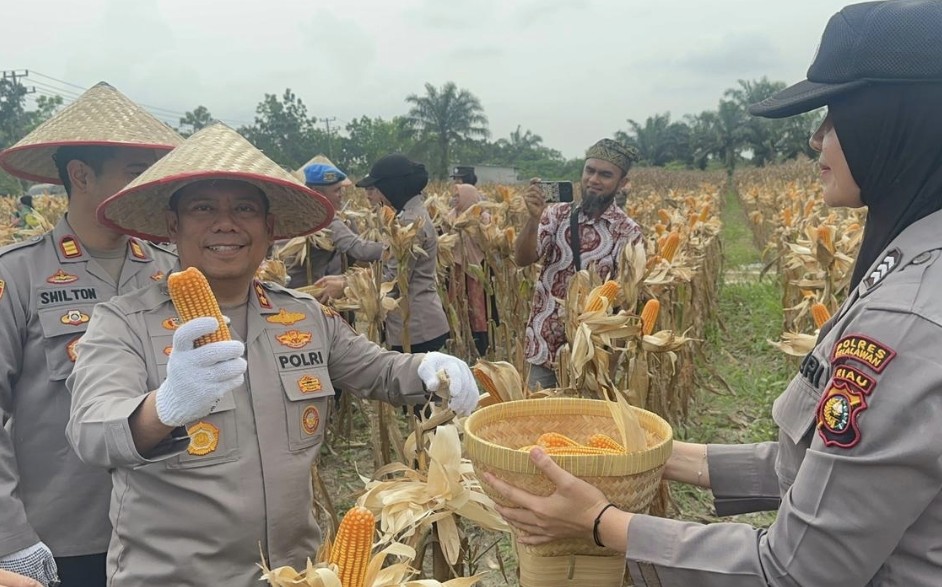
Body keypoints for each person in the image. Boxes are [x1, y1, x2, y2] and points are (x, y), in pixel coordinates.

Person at [488, 1, 942, 585]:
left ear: (895, 122)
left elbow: (797, 570)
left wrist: (602, 523)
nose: (815, 139)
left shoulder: (901, 319)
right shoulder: (912, 269)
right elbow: (816, 468)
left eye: (834, 115)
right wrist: (647, 451)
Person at [66, 124, 479, 587]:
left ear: (270, 229)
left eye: (244, 208)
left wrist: (429, 368)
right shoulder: (122, 321)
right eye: (203, 208)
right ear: (172, 227)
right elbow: (92, 431)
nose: (225, 224)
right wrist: (164, 407)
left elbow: (378, 369)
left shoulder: (302, 315)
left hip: (293, 574)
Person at [0, 82, 182, 587]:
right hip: (64, 534)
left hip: (168, 529)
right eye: (133, 173)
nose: (148, 186)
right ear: (80, 175)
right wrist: (8, 535)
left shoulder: (173, 272)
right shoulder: (20, 275)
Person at [514, 138, 643, 388]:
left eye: (605, 175)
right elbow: (522, 259)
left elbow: (626, 302)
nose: (594, 180)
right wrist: (532, 219)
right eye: (589, 171)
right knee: (536, 421)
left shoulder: (628, 232)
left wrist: (610, 363)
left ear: (622, 184)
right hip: (544, 346)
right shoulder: (556, 215)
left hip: (591, 355)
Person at [315, 154, 450, 354]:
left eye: (378, 188)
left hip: (415, 329)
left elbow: (393, 281)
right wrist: (345, 279)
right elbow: (388, 266)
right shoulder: (409, 214)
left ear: (392, 187)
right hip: (414, 326)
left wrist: (345, 285)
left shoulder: (409, 222)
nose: (376, 195)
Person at [280, 162, 384, 288]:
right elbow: (360, 250)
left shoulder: (294, 213)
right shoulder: (322, 218)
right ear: (317, 193)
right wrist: (394, 249)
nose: (341, 195)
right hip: (304, 294)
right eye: (336, 190)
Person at [449, 183, 490, 356]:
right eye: (455, 196)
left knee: (477, 305)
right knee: (457, 303)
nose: (455, 199)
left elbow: (488, 240)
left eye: (458, 196)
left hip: (476, 268)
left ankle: (481, 345)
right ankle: (460, 341)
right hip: (456, 268)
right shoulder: (451, 216)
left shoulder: (482, 217)